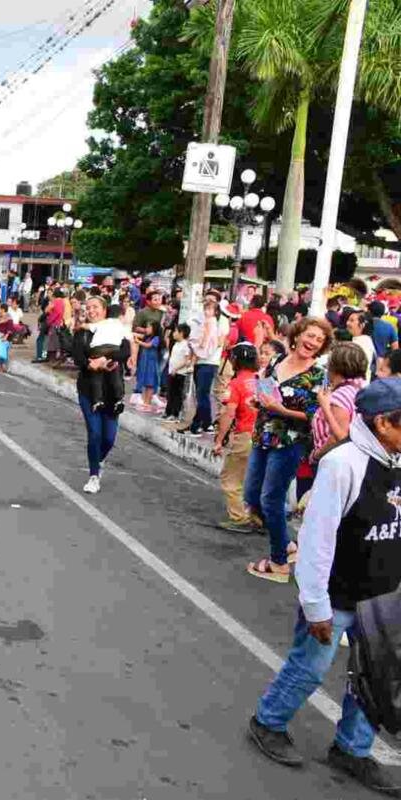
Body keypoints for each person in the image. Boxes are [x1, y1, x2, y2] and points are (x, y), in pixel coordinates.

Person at [246, 378, 401, 796]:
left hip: (383, 596)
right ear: (384, 422)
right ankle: (268, 721)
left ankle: (352, 749)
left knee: (374, 676)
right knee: (310, 667)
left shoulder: (397, 460)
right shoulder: (344, 464)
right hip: (337, 594)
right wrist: (316, 605)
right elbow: (317, 540)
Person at [245, 318, 332, 583]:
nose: (312, 342)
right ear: (298, 335)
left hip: (290, 442)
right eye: (310, 335)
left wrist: (281, 410)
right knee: (252, 495)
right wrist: (256, 400)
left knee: (271, 498)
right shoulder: (276, 360)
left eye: (319, 340)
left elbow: (317, 416)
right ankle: (288, 545)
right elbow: (266, 390)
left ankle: (279, 563)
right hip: (263, 435)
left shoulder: (318, 375)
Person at [71, 295, 130, 494]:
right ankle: (94, 475)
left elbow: (125, 352)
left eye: (95, 307)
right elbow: (77, 357)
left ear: (105, 310)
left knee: (109, 438)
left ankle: (100, 460)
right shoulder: (83, 333)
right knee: (95, 434)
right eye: (88, 308)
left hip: (112, 391)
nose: (91, 311)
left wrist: (106, 358)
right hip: (89, 390)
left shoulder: (115, 328)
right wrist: (91, 364)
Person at [213, 343, 260, 531]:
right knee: (254, 478)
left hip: (245, 434)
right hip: (262, 434)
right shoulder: (260, 380)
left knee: (230, 477)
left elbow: (229, 414)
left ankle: (239, 518)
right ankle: (257, 516)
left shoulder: (236, 384)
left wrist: (219, 440)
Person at [186, 299, 224, 436]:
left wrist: (201, 345)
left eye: (210, 309)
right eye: (206, 309)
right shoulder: (208, 322)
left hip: (208, 361)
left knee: (202, 395)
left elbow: (210, 339)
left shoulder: (214, 322)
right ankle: (203, 424)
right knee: (202, 394)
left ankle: (200, 425)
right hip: (203, 361)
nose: (207, 312)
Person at [163, 323, 192, 422]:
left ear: (182, 333)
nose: (173, 334)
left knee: (177, 394)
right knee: (170, 392)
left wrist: (176, 369)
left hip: (179, 373)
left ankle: (175, 414)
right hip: (172, 372)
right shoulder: (176, 344)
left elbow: (187, 360)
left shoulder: (185, 345)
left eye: (176, 331)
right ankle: (168, 412)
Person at [347, 310, 377, 381]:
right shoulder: (361, 340)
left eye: (352, 320)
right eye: (348, 320)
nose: (347, 323)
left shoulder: (362, 343)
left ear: (362, 325)